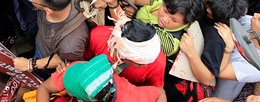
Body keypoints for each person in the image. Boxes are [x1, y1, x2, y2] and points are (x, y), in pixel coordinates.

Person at [176, 0, 248, 96]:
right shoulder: (212, 10)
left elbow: (207, 78)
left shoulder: (216, 38)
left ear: (209, 10)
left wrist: (190, 52)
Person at [104, 0, 205, 57]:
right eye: (165, 10)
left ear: (186, 23)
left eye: (174, 20)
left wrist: (113, 4)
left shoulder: (169, 42)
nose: (164, 19)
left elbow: (125, 28)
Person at [36, 55, 167, 102]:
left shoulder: (130, 96)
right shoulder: (82, 70)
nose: (65, 90)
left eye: (69, 89)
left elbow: (160, 93)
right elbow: (44, 88)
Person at [83, 15, 166, 88]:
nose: (146, 65)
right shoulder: (97, 37)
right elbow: (83, 64)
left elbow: (156, 90)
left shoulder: (158, 62)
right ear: (125, 56)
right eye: (140, 64)